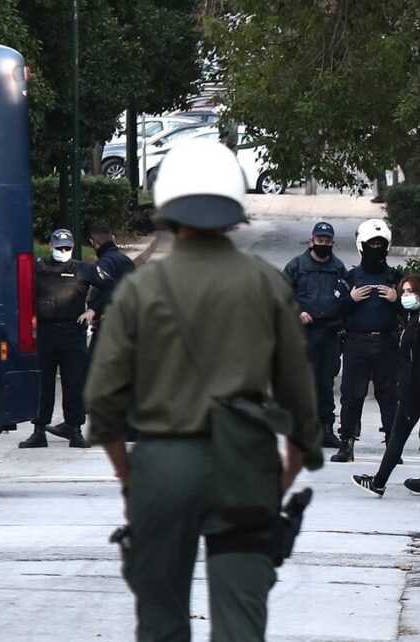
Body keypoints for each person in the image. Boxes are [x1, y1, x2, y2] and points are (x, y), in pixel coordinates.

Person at [85, 139, 322, 642]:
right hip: (244, 464)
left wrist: (128, 478)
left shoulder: (140, 290)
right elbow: (299, 395)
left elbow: (102, 400)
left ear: (167, 206)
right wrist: (284, 473)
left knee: (161, 621)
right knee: (240, 624)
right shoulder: (267, 284)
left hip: (163, 466)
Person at [352, 275, 420, 496]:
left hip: (417, 389)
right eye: (403, 292)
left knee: (408, 436)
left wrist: (413, 388)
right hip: (416, 387)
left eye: (409, 291)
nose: (405, 296)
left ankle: (379, 482)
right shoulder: (414, 317)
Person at [332, 218, 401, 463]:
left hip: (386, 344)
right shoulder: (350, 277)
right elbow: (335, 309)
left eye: (381, 244)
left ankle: (392, 446)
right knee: (351, 396)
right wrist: (350, 299)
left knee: (389, 396)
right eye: (372, 243)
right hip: (356, 343)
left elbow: (411, 309)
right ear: (362, 245)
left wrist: (397, 299)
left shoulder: (395, 277)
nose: (376, 248)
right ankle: (346, 443)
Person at [19, 228, 92, 449]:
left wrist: (94, 309)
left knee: (73, 383)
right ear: (51, 246)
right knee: (43, 383)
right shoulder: (39, 268)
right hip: (46, 332)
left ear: (73, 247)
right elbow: (23, 291)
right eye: (59, 247)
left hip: (73, 332)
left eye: (67, 247)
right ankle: (39, 430)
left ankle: (75, 429)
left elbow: (110, 286)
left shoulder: (82, 269)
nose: (63, 251)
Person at [284, 221, 349, 448]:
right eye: (320, 240)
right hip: (303, 333)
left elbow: (345, 298)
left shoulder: (338, 267)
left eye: (327, 240)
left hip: (329, 333)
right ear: (311, 241)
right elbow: (282, 295)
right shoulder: (296, 266)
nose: (323, 243)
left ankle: (326, 429)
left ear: (332, 242)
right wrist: (297, 312)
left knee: (326, 383)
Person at [82, 221, 136, 355]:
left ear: (93, 242)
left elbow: (108, 287)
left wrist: (93, 309)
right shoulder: (126, 261)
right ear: (112, 238)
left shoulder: (104, 264)